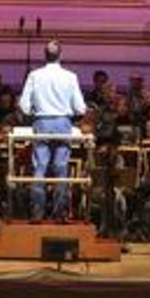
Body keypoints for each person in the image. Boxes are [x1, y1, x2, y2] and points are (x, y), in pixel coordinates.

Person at [18, 40, 87, 221]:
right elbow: (80, 107)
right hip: (63, 122)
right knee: (61, 168)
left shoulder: (34, 75)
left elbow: (24, 105)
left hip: (41, 122)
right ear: (61, 55)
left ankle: (37, 212)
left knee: (40, 167)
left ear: (44, 55)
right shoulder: (70, 77)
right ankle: (59, 213)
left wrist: (34, 112)